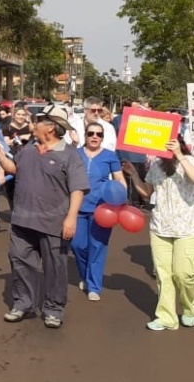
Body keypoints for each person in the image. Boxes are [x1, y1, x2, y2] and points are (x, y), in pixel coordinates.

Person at [0, 104, 89, 329]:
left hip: (54, 223)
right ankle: (23, 303)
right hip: (23, 219)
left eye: (39, 120)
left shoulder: (70, 155)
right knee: (19, 261)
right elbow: (14, 168)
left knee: (55, 267)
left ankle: (53, 309)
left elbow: (78, 189)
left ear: (51, 127)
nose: (33, 123)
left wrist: (71, 218)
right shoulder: (28, 149)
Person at [123, 135, 194, 331]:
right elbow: (147, 192)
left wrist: (179, 155)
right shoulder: (156, 164)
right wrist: (133, 174)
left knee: (184, 274)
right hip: (160, 226)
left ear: (180, 144)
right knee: (164, 275)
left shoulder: (189, 161)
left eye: (174, 143)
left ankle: (189, 308)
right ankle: (166, 317)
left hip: (186, 227)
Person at [73, 122, 126, 301]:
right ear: (85, 135)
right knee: (77, 246)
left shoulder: (110, 156)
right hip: (77, 208)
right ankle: (85, 275)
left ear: (103, 137)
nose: (95, 137)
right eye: (91, 133)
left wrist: (122, 201)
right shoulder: (76, 154)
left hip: (102, 209)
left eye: (99, 134)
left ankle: (94, 286)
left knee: (97, 248)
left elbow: (119, 179)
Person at [113, 99, 148, 208]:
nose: (139, 109)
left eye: (139, 107)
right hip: (126, 157)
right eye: (136, 107)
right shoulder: (118, 120)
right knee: (129, 186)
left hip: (141, 158)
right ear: (127, 108)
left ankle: (139, 206)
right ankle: (130, 207)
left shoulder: (144, 120)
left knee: (140, 184)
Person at [1, 105, 33, 211]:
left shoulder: (29, 127)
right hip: (11, 159)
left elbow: (33, 139)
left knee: (25, 187)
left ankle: (24, 210)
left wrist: (14, 140)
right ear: (14, 115)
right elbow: (6, 143)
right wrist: (20, 138)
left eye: (23, 115)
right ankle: (13, 210)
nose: (21, 116)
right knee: (10, 188)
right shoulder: (8, 128)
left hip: (28, 160)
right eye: (19, 114)